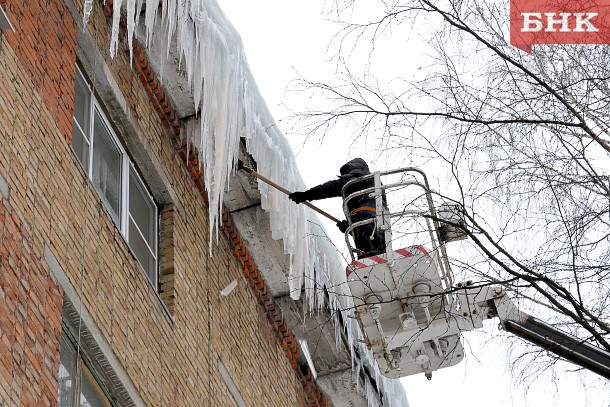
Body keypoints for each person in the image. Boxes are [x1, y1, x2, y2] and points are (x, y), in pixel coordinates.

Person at [289, 158, 386, 258]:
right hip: (370, 222)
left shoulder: (363, 179)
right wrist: (350, 225)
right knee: (372, 251)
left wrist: (306, 195)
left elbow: (332, 187)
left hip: (368, 220)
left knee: (370, 255)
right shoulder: (372, 184)